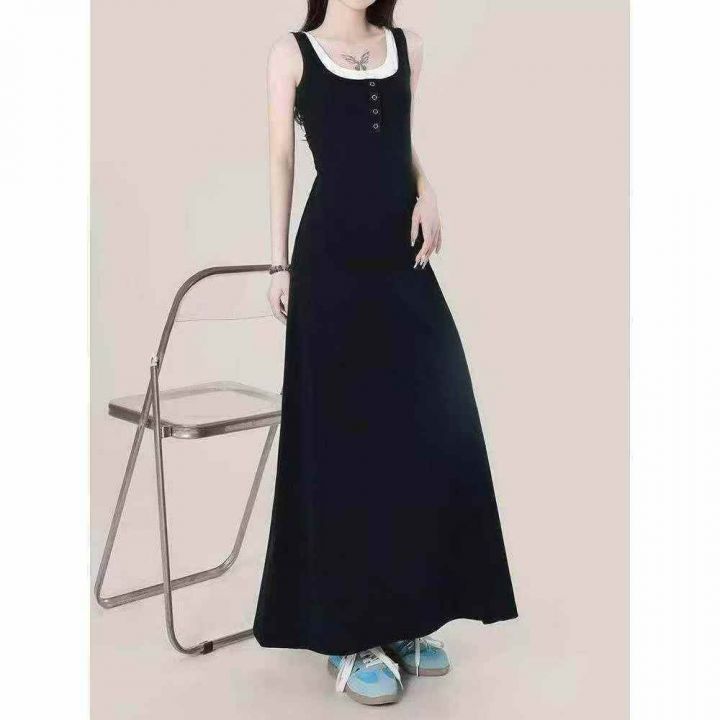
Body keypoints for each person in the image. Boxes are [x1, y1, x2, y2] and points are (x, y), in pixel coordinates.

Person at [254, 0, 518, 705]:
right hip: (330, 264)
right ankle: (347, 634)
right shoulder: (292, 54)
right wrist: (278, 265)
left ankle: (403, 617)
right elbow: (281, 157)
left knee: (425, 429)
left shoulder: (408, 46)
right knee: (346, 442)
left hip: (400, 260)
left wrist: (428, 190)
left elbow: (400, 141)